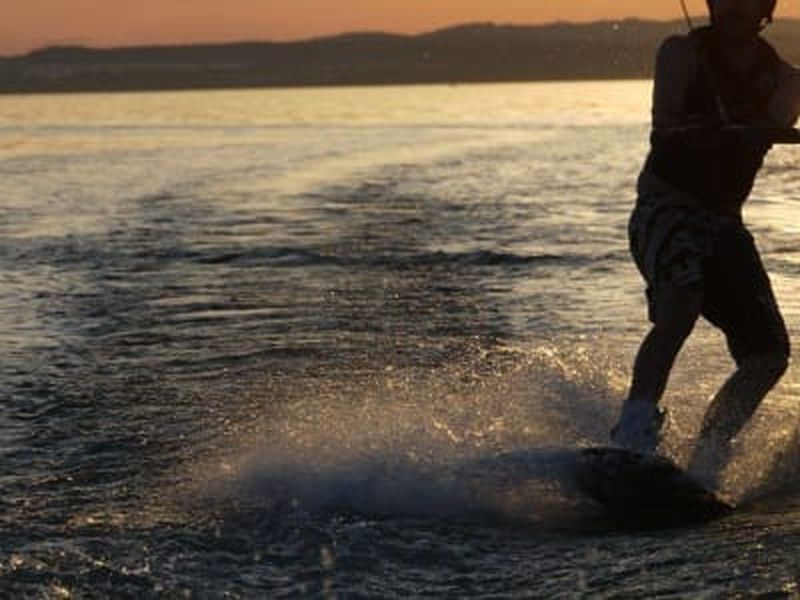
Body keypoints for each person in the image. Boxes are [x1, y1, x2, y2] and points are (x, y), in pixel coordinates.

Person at [611, 0, 800, 486]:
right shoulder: (680, 54)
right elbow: (667, 126)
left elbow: (773, 125)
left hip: (723, 225)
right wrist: (724, 129)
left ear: (765, 8)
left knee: (769, 355)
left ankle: (708, 457)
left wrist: (760, 129)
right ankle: (632, 431)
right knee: (682, 304)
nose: (731, 7)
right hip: (664, 210)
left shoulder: (786, 81)